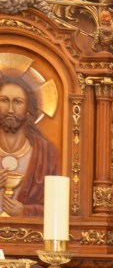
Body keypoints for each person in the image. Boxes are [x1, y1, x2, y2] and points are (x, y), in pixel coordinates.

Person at [0, 74, 60, 217]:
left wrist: (24, 211)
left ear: (28, 109)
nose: (10, 109)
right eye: (4, 100)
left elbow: (59, 206)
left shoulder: (46, 153)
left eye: (18, 102)